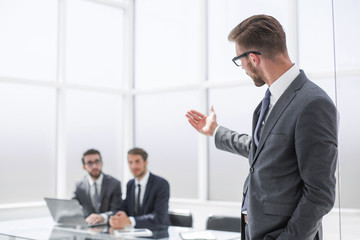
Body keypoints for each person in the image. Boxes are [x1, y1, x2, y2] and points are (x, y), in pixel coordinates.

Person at [186, 14, 338, 240]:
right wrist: (216, 130)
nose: (243, 68)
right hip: (254, 231)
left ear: (253, 58)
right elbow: (264, 150)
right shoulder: (269, 101)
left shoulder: (313, 103)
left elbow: (320, 194)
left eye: (240, 61)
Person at [109, 147, 170, 229]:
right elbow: (124, 207)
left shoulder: (161, 184)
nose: (134, 166)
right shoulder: (130, 184)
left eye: (137, 161)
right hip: (136, 233)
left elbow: (158, 217)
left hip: (158, 232)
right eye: (130, 162)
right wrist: (117, 217)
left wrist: (130, 221)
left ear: (146, 162)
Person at [72, 149, 122, 225]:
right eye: (90, 163)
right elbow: (72, 207)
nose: (94, 166)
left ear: (102, 163)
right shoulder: (79, 186)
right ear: (84, 167)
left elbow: (117, 210)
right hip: (87, 230)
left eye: (97, 161)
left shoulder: (114, 184)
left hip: (109, 229)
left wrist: (103, 217)